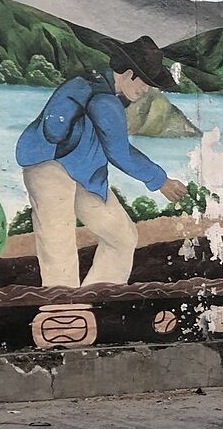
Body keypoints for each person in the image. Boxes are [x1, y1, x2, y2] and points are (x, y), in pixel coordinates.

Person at [16, 36, 189, 288]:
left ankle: (96, 296)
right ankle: (62, 314)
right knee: (58, 241)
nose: (146, 91)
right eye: (145, 82)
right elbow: (120, 153)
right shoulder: (104, 100)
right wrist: (160, 180)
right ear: (129, 73)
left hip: (83, 173)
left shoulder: (93, 87)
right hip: (48, 167)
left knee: (122, 237)